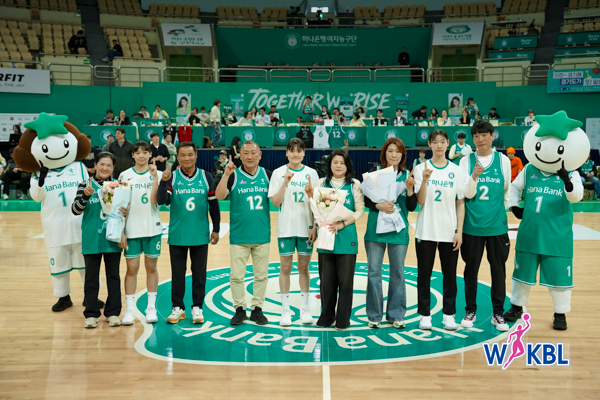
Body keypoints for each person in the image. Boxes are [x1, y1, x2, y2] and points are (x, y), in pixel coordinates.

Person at [155, 142, 220, 324]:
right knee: (178, 274)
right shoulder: (172, 177)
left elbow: (213, 205)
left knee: (199, 274)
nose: (186, 158)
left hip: (200, 233)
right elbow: (161, 200)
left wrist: (216, 228)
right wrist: (163, 181)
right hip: (178, 234)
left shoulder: (206, 177)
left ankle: (197, 307)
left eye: (190, 154)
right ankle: (178, 308)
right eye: (182, 155)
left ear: (196, 155)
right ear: (177, 157)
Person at [459, 121, 511, 332]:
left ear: (492, 136)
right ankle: (470, 310)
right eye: (476, 136)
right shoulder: (465, 161)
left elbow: (506, 190)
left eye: (484, 135)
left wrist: (499, 213)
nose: (480, 140)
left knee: (498, 271)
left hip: (497, 227)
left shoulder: (503, 160)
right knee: (470, 271)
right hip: (472, 227)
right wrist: (474, 177)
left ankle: (498, 313)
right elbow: (465, 193)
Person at [413, 129, 464, 331]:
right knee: (423, 275)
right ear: (430, 144)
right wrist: (425, 180)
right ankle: (425, 315)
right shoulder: (420, 168)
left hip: (449, 231)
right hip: (426, 231)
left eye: (443, 141)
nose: (439, 145)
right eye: (435, 142)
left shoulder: (457, 171)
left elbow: (460, 203)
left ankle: (449, 315)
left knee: (450, 276)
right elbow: (420, 201)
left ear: (448, 143)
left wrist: (459, 231)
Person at [216, 141, 272, 326]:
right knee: (237, 276)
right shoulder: (233, 175)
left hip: (261, 235)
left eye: (253, 152)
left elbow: (277, 200)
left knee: (261, 276)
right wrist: (225, 174)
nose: (249, 156)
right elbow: (220, 196)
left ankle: (257, 309)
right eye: (245, 153)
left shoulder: (267, 175)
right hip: (239, 237)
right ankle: (240, 309)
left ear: (260, 155)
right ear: (240, 155)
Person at [364, 138, 417, 329]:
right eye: (390, 151)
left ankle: (396, 314)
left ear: (403, 155)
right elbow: (365, 199)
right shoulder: (375, 172)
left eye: (398, 151)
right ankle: (374, 315)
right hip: (375, 231)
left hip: (398, 230)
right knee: (373, 272)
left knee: (397, 273)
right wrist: (378, 206)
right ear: (384, 153)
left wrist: (410, 189)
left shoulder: (408, 175)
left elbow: (411, 206)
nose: (394, 155)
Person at [71, 152, 127, 329]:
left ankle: (113, 313)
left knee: (113, 277)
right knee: (91, 278)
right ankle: (91, 313)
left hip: (112, 237)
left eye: (109, 165)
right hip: (91, 237)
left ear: (113, 168)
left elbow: (125, 211)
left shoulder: (120, 185)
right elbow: (75, 210)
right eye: (102, 164)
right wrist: (85, 196)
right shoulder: (85, 184)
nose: (105, 168)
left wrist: (126, 213)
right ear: (95, 165)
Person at [268, 138, 320, 326]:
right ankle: (286, 310)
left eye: (299, 150)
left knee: (304, 268)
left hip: (306, 228)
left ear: (304, 153)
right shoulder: (278, 173)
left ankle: (305, 309)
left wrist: (315, 226)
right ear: (287, 153)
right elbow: (275, 202)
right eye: (292, 150)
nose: (295, 154)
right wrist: (285, 183)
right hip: (286, 228)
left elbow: (317, 203)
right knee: (285, 268)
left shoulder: (312, 173)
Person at [314, 149, 365, 330]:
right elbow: (316, 209)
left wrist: (343, 224)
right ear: (330, 165)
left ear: (347, 166)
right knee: (326, 282)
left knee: (345, 282)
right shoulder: (321, 183)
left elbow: (360, 209)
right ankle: (327, 317)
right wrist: (315, 226)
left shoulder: (354, 184)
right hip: (326, 236)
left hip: (346, 236)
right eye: (335, 162)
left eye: (342, 163)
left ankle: (343, 320)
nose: (338, 166)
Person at [118, 142, 162, 326]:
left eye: (145, 152)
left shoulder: (158, 174)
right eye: (138, 153)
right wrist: (121, 230)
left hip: (152, 228)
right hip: (132, 229)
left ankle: (151, 308)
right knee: (131, 269)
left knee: (151, 268)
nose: (141, 155)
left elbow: (157, 201)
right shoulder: (124, 175)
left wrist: (155, 177)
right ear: (133, 155)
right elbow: (119, 205)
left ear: (150, 154)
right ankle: (129, 310)